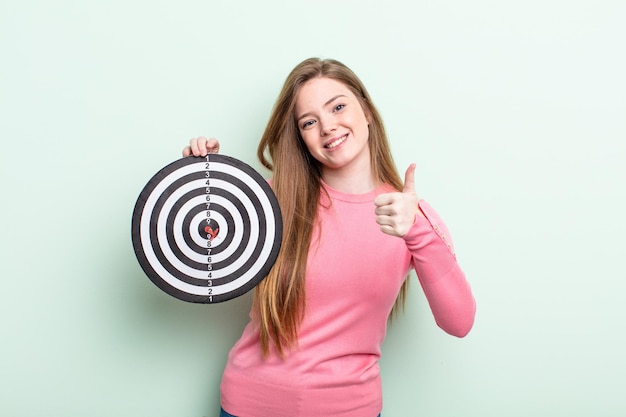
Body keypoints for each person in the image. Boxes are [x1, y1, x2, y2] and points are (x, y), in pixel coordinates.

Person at [182, 57, 476, 417]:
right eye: (309, 121)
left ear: (366, 110)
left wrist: (417, 229)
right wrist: (201, 186)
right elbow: (201, 259)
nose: (328, 127)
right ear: (302, 137)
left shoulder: (408, 215)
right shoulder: (271, 201)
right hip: (248, 404)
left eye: (338, 106)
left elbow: (459, 322)